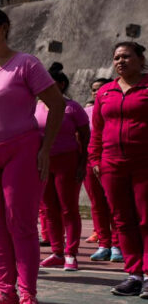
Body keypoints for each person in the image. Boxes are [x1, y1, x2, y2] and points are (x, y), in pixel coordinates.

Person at [0, 7, 64, 304]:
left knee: (21, 223)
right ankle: (5, 291)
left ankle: (27, 293)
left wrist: (46, 148)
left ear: (4, 27)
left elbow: (56, 105)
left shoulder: (26, 64)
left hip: (21, 150)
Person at [88, 42, 148, 297]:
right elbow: (97, 131)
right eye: (116, 58)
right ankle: (134, 274)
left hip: (144, 163)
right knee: (122, 221)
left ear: (140, 60)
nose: (121, 61)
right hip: (111, 165)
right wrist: (95, 160)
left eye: (126, 56)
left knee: (146, 219)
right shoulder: (105, 92)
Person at [36, 63, 89, 271]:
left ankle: (71, 254)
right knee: (50, 209)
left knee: (68, 209)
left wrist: (83, 163)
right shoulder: (36, 107)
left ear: (61, 84)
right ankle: (57, 251)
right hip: (43, 163)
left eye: (49, 82)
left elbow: (85, 136)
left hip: (67, 161)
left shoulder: (72, 107)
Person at [83, 78, 123, 263]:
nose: (96, 92)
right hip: (91, 162)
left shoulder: (113, 107)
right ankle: (103, 244)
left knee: (115, 204)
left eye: (99, 89)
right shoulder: (86, 111)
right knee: (97, 204)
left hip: (111, 161)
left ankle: (117, 244)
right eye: (93, 89)